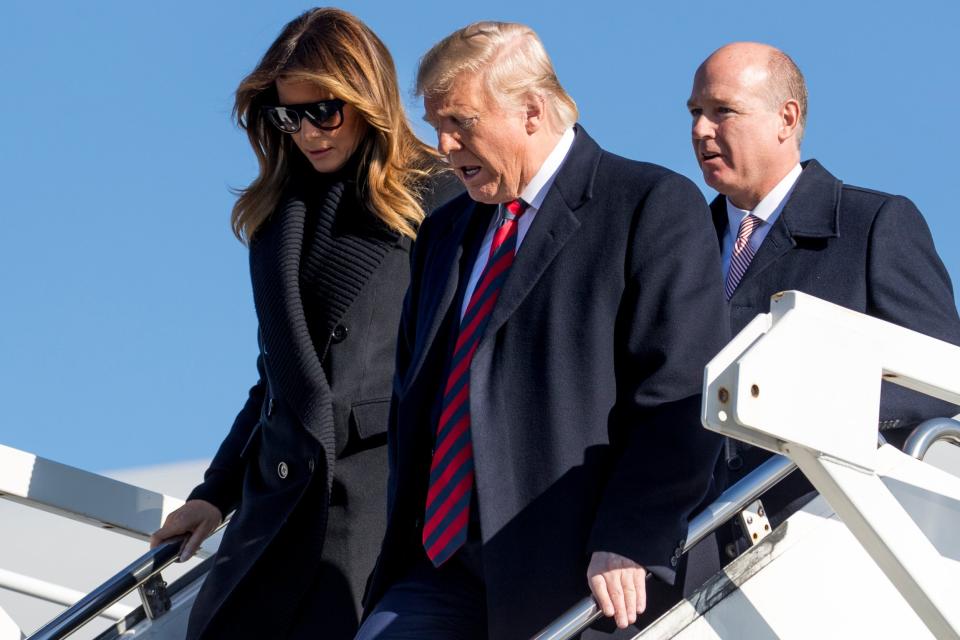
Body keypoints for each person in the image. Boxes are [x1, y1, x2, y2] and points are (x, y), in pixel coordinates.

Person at [357, 21, 728, 639]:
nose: (445, 146)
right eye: (437, 126)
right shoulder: (444, 234)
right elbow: (413, 402)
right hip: (436, 567)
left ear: (531, 110)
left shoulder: (648, 205)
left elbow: (682, 392)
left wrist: (632, 533)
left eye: (462, 122)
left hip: (574, 568)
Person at [149, 9, 455, 639]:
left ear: (367, 98)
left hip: (377, 503)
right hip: (276, 510)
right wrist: (216, 492)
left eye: (324, 111)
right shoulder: (275, 216)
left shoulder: (442, 195)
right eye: (288, 116)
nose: (308, 131)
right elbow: (278, 381)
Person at [687, 41, 960, 541]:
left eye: (722, 111)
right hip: (699, 544)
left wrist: (811, 406)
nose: (701, 130)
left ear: (785, 119)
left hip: (829, 534)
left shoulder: (873, 225)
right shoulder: (677, 249)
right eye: (695, 113)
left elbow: (938, 381)